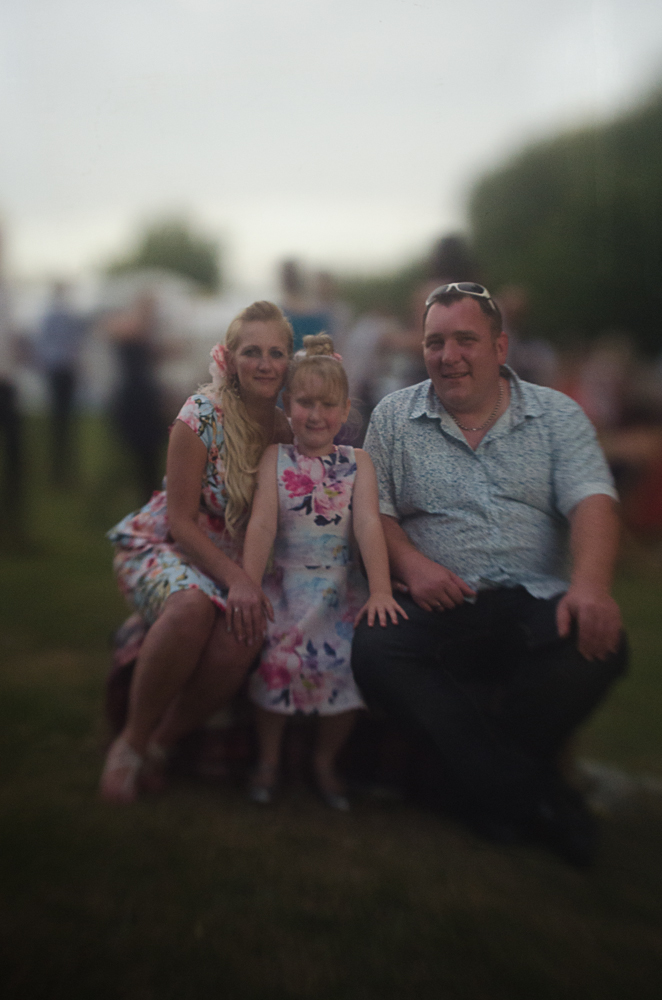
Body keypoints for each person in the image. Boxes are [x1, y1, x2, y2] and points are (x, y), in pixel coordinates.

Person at [352, 282, 628, 865]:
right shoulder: (395, 416)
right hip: (440, 602)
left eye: (465, 340)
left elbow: (593, 500)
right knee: (376, 648)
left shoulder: (557, 415)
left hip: (534, 601)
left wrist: (589, 587)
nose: (448, 355)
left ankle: (479, 791)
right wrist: (413, 565)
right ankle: (535, 797)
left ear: (500, 346)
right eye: (435, 342)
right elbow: (375, 512)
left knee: (601, 644)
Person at [100, 301, 294, 803]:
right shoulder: (201, 415)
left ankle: (162, 745)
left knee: (244, 634)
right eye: (252, 351)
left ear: (288, 361)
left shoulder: (285, 431)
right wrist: (238, 579)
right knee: (191, 607)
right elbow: (180, 522)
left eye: (276, 353)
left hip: (237, 562)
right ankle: (130, 742)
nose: (265, 363)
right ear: (230, 358)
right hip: (167, 546)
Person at [242, 335, 406, 809]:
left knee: (348, 664)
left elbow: (369, 525)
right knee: (277, 656)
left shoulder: (358, 464)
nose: (316, 415)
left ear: (345, 409)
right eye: (305, 403)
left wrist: (380, 590)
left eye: (327, 404)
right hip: (288, 586)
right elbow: (262, 524)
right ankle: (269, 757)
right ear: (286, 404)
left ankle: (324, 759)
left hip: (340, 588)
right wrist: (248, 585)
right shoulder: (275, 458)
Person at [35, 281, 89, 484]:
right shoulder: (56, 315)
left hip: (62, 370)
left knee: (63, 419)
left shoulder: (60, 314)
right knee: (61, 419)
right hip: (60, 370)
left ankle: (63, 466)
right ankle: (60, 467)